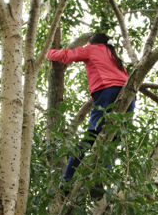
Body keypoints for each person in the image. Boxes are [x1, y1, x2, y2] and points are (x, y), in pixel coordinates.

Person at [47, 33, 136, 185]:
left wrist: (49, 53)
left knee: (91, 136)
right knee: (116, 138)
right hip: (129, 97)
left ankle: (67, 179)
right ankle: (101, 179)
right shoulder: (116, 58)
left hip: (106, 92)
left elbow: (68, 55)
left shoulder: (92, 49)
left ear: (93, 42)